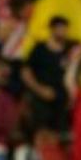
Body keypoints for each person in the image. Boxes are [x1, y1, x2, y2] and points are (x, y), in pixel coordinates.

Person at [22, 15, 73, 146]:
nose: (63, 32)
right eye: (60, 29)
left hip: (63, 101)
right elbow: (26, 73)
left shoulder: (70, 49)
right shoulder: (39, 49)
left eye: (65, 29)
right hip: (41, 99)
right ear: (52, 29)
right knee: (42, 134)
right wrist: (40, 90)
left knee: (64, 136)